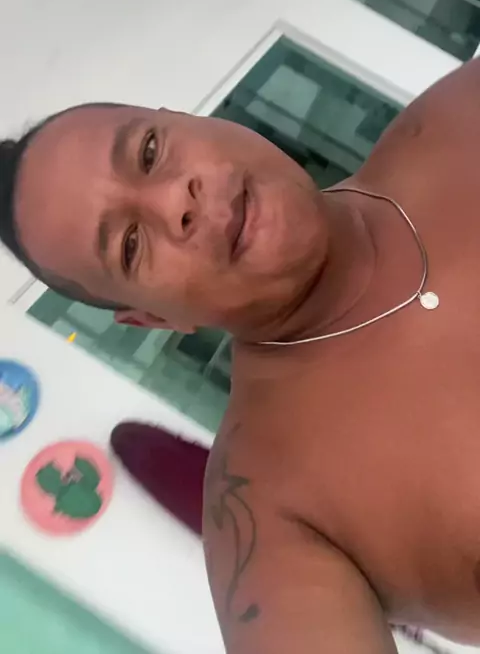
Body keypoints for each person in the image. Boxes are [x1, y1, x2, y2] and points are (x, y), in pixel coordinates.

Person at [2, 59, 480, 653]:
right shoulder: (268, 513)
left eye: (149, 152)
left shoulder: (460, 116)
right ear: (154, 320)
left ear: (193, 120)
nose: (174, 200)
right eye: (130, 244)